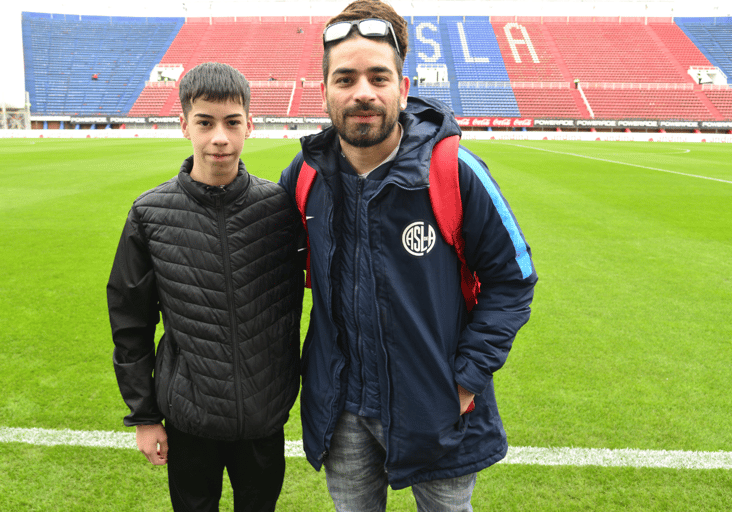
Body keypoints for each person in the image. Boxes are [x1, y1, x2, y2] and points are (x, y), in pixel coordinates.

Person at [277, 1, 537, 510]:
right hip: (341, 411)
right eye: (345, 78)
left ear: (403, 85)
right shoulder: (304, 178)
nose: (363, 93)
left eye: (378, 76)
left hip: (436, 407)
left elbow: (513, 281)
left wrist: (464, 381)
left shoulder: (455, 172)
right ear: (325, 89)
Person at [107, 62, 304, 512]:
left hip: (263, 418)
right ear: (184, 125)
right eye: (205, 122)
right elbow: (130, 320)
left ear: (250, 125)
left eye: (232, 122)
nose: (220, 137)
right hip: (189, 420)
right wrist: (143, 415)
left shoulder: (279, 209)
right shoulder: (149, 215)